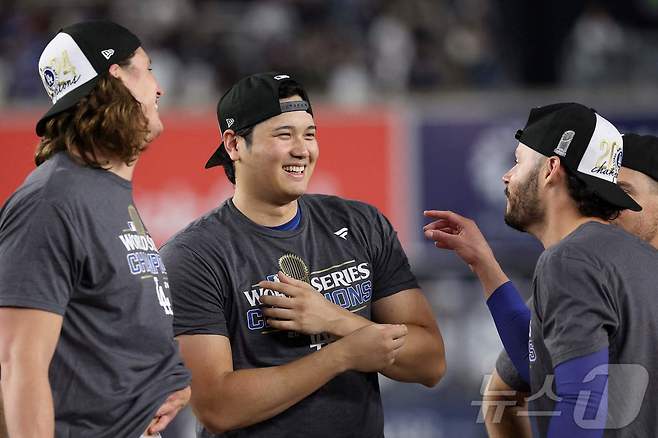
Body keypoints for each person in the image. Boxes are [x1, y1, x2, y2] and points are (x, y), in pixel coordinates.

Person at [160, 72, 446, 437]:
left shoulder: (361, 223)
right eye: (284, 135)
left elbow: (431, 363)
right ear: (233, 145)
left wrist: (336, 321)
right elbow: (217, 406)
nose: (302, 149)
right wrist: (340, 356)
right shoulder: (194, 256)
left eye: (309, 134)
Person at [0, 21, 190, 438]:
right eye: (147, 68)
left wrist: (171, 383)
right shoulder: (51, 200)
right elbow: (18, 364)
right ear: (116, 78)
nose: (159, 88)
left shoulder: (101, 189)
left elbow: (110, 328)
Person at [424, 103, 658, 437]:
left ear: (550, 168)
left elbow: (582, 406)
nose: (507, 175)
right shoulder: (638, 259)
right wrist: (483, 263)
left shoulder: (571, 260)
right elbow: (541, 367)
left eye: (518, 160)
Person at [483, 131, 658, 438]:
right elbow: (501, 395)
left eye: (621, 192)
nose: (607, 205)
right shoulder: (579, 277)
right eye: (599, 190)